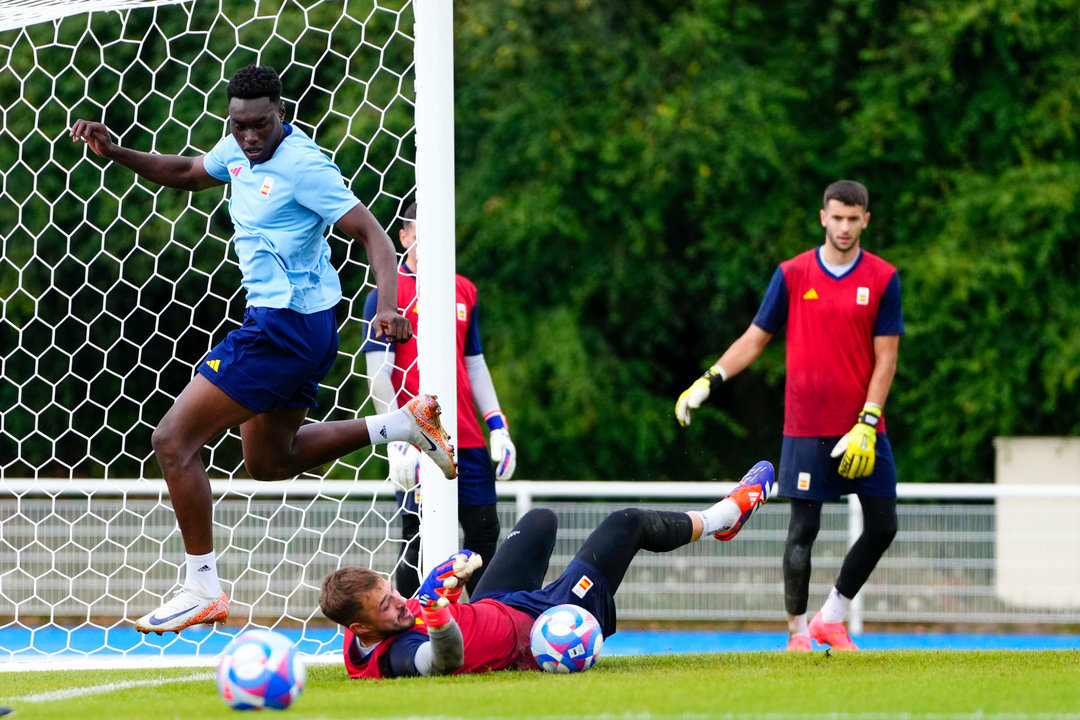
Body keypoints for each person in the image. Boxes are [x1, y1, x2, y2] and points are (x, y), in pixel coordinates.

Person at [69, 65, 458, 635]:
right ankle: (402, 425)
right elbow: (185, 171)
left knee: (172, 439)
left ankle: (202, 587)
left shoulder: (304, 167)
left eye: (260, 125)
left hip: (286, 327)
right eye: (240, 125)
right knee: (271, 462)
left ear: (283, 115)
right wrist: (118, 152)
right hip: (299, 326)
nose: (249, 137)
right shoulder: (236, 150)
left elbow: (374, 232)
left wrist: (389, 306)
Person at [675, 180, 903, 652]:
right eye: (836, 217)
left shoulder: (882, 278)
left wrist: (868, 419)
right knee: (804, 529)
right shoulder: (793, 273)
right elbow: (755, 338)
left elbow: (887, 358)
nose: (844, 226)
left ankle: (831, 618)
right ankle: (797, 634)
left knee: (884, 525)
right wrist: (709, 378)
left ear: (866, 220)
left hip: (863, 428)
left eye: (852, 218)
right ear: (823, 217)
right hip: (806, 426)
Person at [319, 460, 774, 678]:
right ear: (363, 625)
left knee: (541, 521)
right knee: (626, 524)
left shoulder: (360, 626)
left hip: (499, 606)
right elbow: (444, 660)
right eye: (388, 604)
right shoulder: (396, 658)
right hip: (537, 628)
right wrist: (436, 613)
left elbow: (414, 608)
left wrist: (446, 592)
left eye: (391, 592)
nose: (400, 602)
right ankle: (724, 518)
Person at [361, 202, 516, 597]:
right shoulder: (387, 292)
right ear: (405, 236)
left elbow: (475, 363)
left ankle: (488, 621)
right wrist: (395, 439)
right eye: (422, 230)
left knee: (484, 532)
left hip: (468, 437)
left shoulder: (463, 289)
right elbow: (378, 372)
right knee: (418, 537)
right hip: (418, 438)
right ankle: (411, 632)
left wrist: (497, 425)